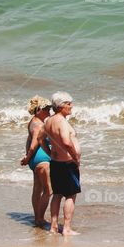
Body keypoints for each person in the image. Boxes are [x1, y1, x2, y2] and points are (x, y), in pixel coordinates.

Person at [45, 91, 81, 235]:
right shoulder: (61, 122)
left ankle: (53, 226)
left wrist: (50, 153)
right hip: (67, 163)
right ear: (61, 106)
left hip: (55, 162)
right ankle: (66, 228)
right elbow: (66, 142)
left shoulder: (49, 121)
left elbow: (41, 139)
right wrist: (75, 157)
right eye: (68, 103)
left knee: (57, 194)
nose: (71, 106)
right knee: (71, 195)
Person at [19, 96, 54, 228]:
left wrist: (29, 159)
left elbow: (29, 141)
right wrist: (27, 157)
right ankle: (40, 219)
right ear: (39, 110)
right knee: (48, 190)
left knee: (37, 189)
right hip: (42, 160)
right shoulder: (39, 124)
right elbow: (34, 143)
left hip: (36, 161)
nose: (49, 111)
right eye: (46, 108)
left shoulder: (33, 121)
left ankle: (37, 217)